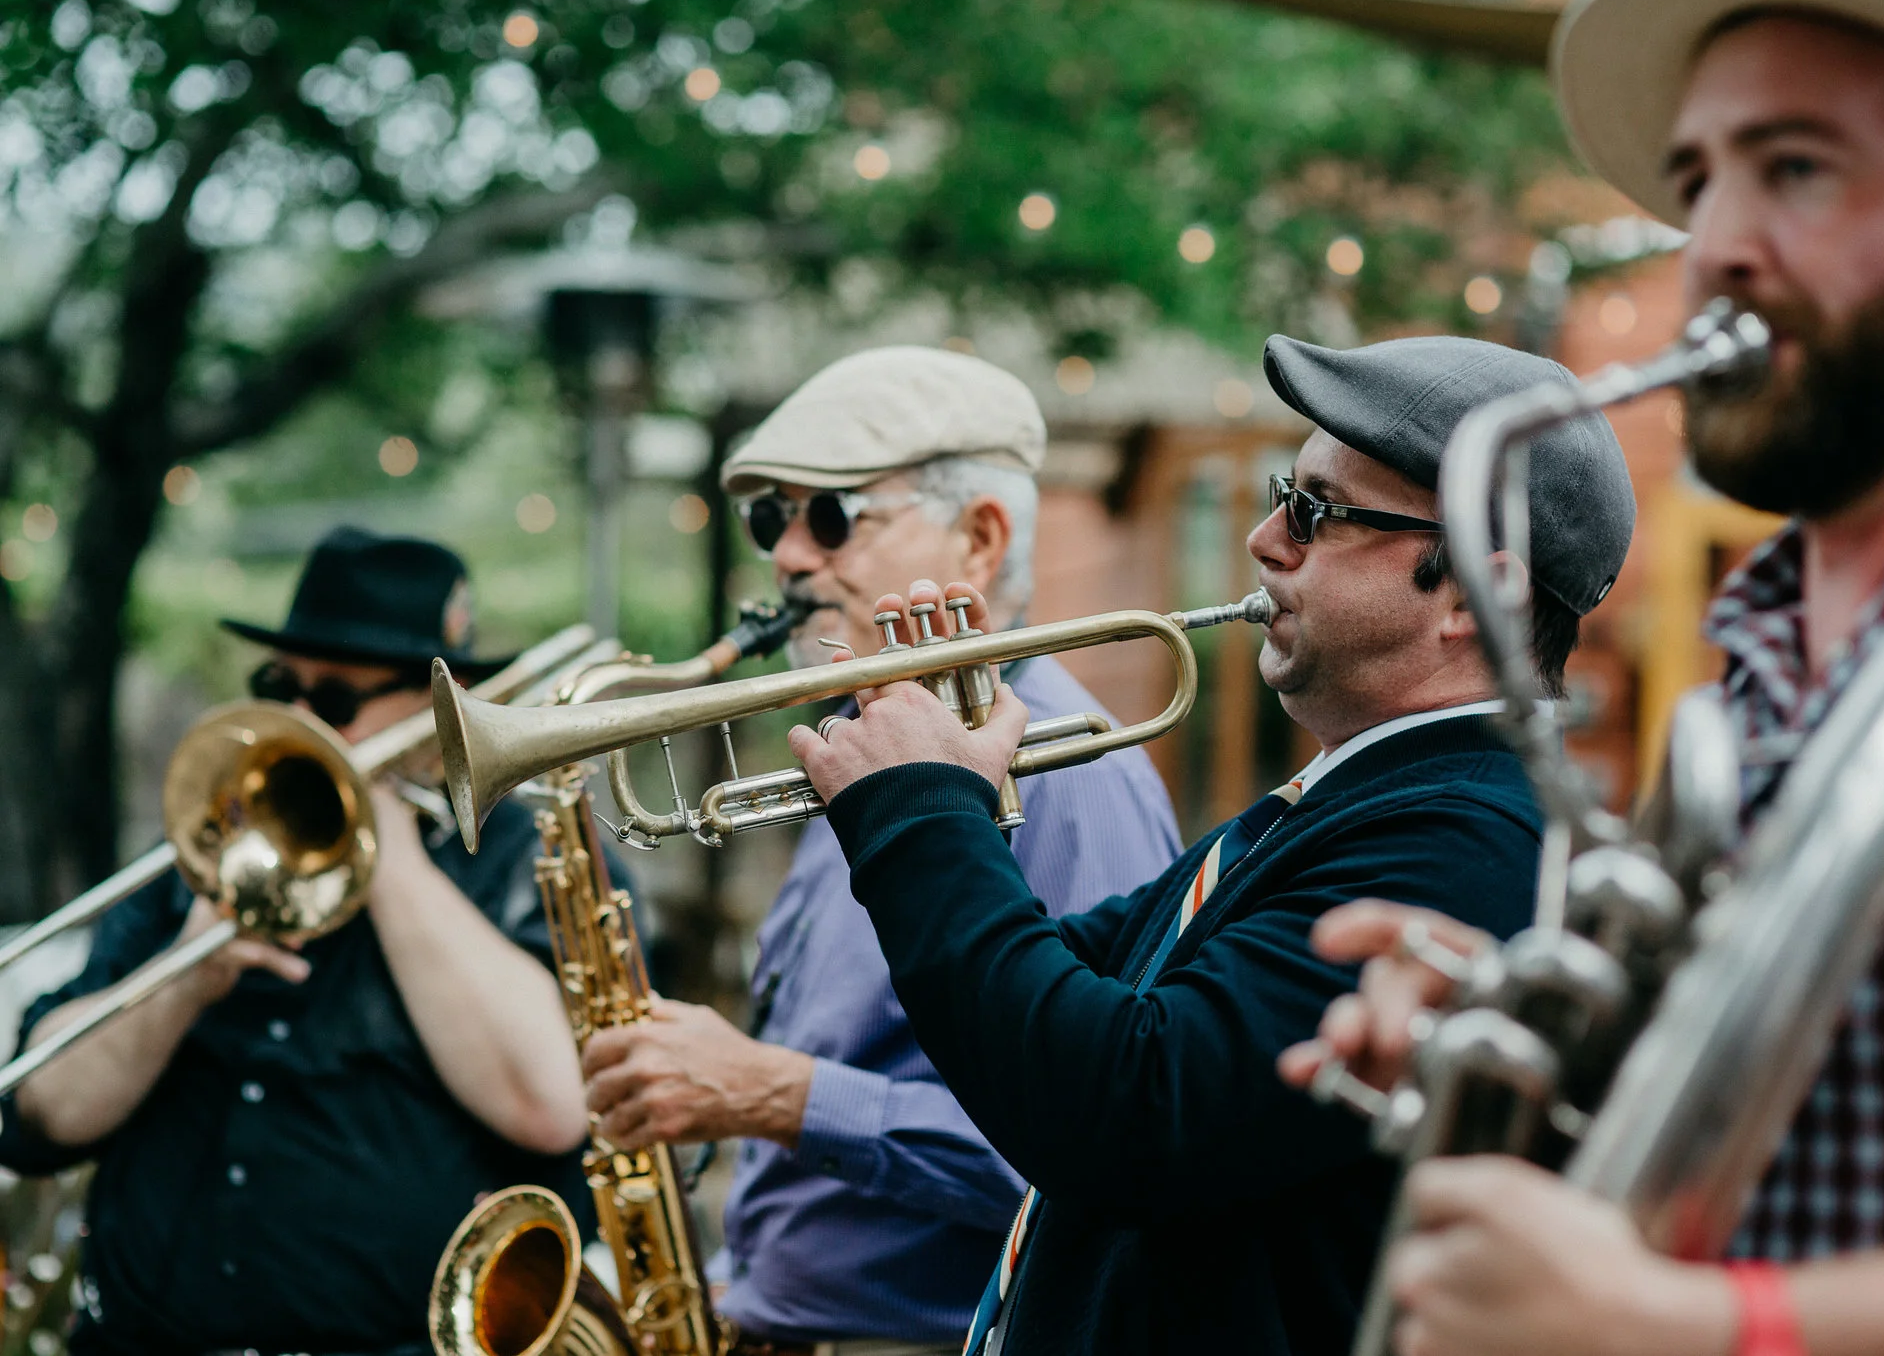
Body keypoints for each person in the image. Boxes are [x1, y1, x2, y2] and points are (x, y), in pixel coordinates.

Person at [1281, 0, 1884, 1355]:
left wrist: (1705, 1326)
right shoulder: (1769, 644)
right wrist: (1538, 1037)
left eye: (1797, 167)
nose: (1719, 251)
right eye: (1702, 181)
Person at [777, 335, 1635, 1354]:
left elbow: (1129, 1111)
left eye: (1317, 513)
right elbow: (1059, 998)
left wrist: (921, 812)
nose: (1265, 540)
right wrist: (955, 779)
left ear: (1469, 596)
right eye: (1284, 494)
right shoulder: (1349, 801)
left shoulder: (1465, 837)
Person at [577, 346, 1184, 1356]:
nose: (787, 558)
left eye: (831, 517)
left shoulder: (1070, 774)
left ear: (979, 540)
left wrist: (770, 1093)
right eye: (773, 522)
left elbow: (1093, 1148)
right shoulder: (868, 748)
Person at [0, 527, 592, 1356]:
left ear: (439, 706)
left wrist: (389, 863)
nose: (302, 717)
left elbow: (553, 1104)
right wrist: (183, 976)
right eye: (283, 686)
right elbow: (37, 1115)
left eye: (337, 700)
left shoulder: (514, 856)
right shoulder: (205, 848)